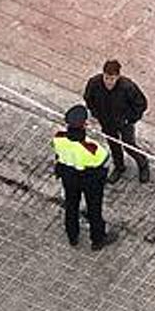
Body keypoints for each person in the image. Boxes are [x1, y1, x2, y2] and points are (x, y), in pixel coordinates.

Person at [52, 105, 116, 250]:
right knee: (94, 209)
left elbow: (56, 151)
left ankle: (72, 236)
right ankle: (98, 239)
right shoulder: (92, 148)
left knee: (71, 206)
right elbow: (104, 161)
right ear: (85, 125)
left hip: (68, 177)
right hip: (89, 180)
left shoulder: (59, 138)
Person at [84, 59, 150, 183]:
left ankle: (143, 164)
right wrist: (96, 114)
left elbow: (141, 104)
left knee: (129, 145)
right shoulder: (94, 83)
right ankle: (119, 167)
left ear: (118, 77)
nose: (109, 82)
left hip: (124, 123)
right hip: (106, 122)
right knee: (113, 145)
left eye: (112, 79)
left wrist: (129, 119)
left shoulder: (128, 87)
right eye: (106, 78)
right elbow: (88, 99)